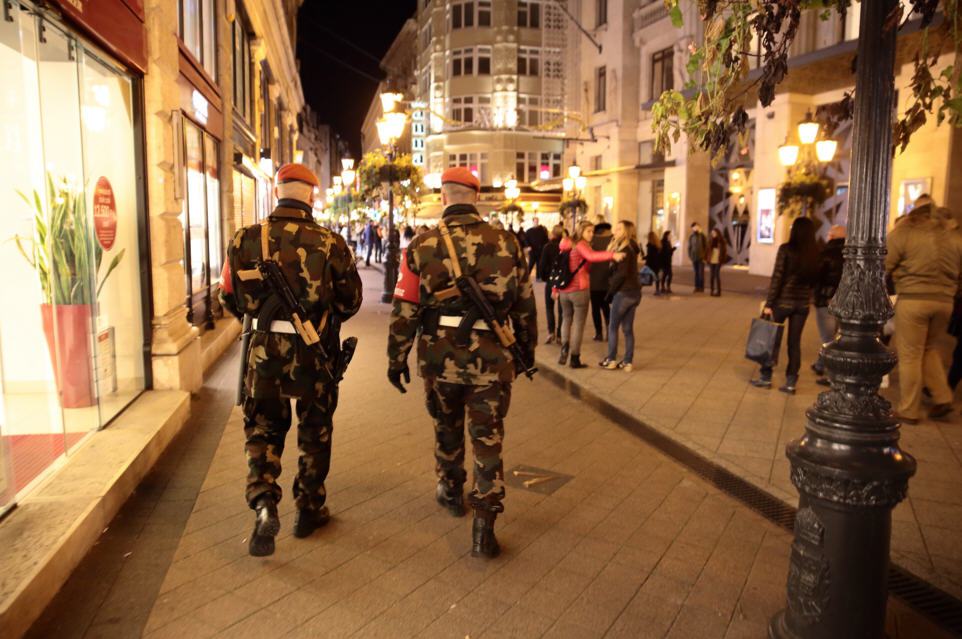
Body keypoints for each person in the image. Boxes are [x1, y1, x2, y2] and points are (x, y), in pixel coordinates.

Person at [387, 167, 537, 559]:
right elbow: (525, 305)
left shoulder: (421, 245)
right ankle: (484, 525)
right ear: (477, 196)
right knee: (488, 437)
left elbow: (405, 308)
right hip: (492, 359)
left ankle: (451, 490)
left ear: (443, 197)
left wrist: (396, 356)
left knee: (446, 425)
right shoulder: (507, 242)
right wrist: (526, 350)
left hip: (440, 358)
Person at [218, 163, 362, 556]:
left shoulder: (245, 239)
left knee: (263, 428)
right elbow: (351, 302)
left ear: (277, 190)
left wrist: (263, 327)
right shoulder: (331, 242)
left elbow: (228, 296)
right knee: (315, 430)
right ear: (312, 195)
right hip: (314, 354)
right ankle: (308, 509)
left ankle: (264, 503)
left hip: (263, 352)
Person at [885, 195, 962, 423]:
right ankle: (943, 397)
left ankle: (908, 409)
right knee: (928, 348)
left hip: (914, 299)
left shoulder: (907, 230)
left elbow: (885, 262)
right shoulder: (952, 235)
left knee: (910, 353)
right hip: (945, 301)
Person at [751, 216, 819, 395]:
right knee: (794, 343)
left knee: (772, 339)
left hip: (782, 302)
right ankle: (791, 382)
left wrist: (769, 303)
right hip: (802, 304)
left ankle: (766, 377)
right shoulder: (814, 253)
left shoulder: (786, 250)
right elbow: (814, 282)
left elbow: (777, 278)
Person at [554, 220, 624, 369]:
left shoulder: (565, 244)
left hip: (564, 290)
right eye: (588, 231)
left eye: (592, 231)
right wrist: (613, 255)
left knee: (566, 319)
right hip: (579, 289)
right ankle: (574, 358)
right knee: (579, 324)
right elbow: (592, 257)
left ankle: (564, 347)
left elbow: (558, 267)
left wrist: (555, 290)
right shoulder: (581, 244)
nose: (591, 234)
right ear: (581, 231)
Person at [601, 221, 642, 371]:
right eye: (615, 228)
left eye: (619, 229)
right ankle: (627, 362)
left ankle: (611, 359)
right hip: (634, 292)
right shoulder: (632, 247)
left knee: (613, 327)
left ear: (626, 232)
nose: (615, 231)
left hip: (624, 292)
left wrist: (610, 292)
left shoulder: (625, 249)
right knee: (628, 329)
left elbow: (621, 274)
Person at [812, 225, 846, 385]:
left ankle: (832, 376)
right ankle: (820, 364)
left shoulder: (826, 253)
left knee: (828, 338)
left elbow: (817, 277)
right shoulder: (852, 254)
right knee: (837, 336)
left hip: (826, 300)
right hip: (846, 301)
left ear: (831, 237)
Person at [538, 225, 565, 343]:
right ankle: (560, 335)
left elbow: (542, 265)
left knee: (549, 307)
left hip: (550, 280)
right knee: (561, 309)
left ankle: (551, 332)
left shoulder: (547, 247)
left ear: (552, 234)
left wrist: (545, 278)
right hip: (562, 281)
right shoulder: (565, 247)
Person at [590, 218, 614, 340]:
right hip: (607, 281)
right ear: (605, 231)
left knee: (595, 308)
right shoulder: (612, 241)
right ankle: (610, 332)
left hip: (593, 281)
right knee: (606, 307)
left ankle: (598, 333)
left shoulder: (591, 241)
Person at [688, 222, 708, 292]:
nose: (695, 228)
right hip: (694, 257)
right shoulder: (691, 236)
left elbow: (706, 247)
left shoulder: (702, 236)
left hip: (701, 258)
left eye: (696, 226)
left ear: (699, 227)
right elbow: (689, 247)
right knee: (696, 273)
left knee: (701, 273)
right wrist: (690, 256)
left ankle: (701, 288)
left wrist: (704, 257)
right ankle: (696, 287)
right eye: (693, 227)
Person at [708, 227, 728, 296]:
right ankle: (712, 290)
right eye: (712, 233)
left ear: (717, 233)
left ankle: (719, 291)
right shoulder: (710, 240)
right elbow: (708, 250)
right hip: (712, 259)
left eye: (714, 233)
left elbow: (724, 251)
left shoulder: (722, 241)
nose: (713, 234)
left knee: (717, 275)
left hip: (718, 260)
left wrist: (723, 259)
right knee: (711, 276)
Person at [645, 231, 662, 295]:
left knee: (644, 275)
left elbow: (650, 256)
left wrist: (646, 262)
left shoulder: (650, 245)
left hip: (651, 264)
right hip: (657, 263)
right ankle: (657, 290)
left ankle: (639, 288)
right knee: (656, 276)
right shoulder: (657, 245)